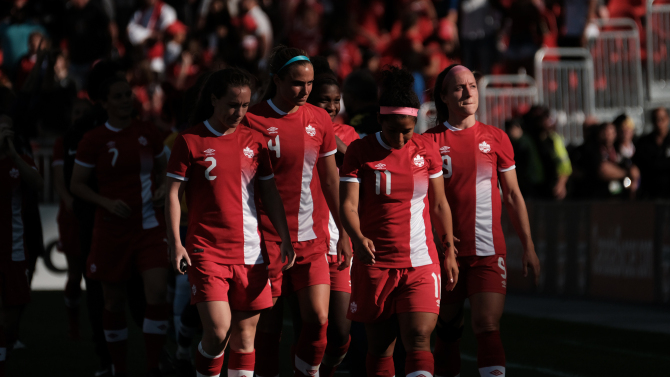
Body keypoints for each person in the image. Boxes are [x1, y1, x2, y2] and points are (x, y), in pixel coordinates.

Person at [165, 68, 295, 377]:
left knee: (244, 339)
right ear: (213, 100)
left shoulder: (256, 141)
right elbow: (172, 194)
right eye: (232, 105)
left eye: (246, 105)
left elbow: (270, 194)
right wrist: (175, 243)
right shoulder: (190, 141)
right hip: (207, 251)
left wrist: (285, 238)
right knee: (218, 332)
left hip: (252, 252)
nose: (239, 112)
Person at [340, 66, 458, 377]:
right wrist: (357, 237)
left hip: (420, 262)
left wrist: (449, 251)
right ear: (380, 120)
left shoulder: (427, 150)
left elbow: (439, 204)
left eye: (408, 129)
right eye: (394, 130)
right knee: (381, 349)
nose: (402, 137)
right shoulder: (360, 151)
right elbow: (348, 205)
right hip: (376, 263)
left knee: (419, 339)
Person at [424, 64, 541, 377]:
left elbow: (513, 196)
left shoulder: (497, 138)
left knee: (487, 325)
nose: (467, 93)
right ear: (444, 97)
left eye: (472, 86)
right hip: (442, 253)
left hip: (488, 251)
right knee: (447, 330)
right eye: (459, 88)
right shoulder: (428, 142)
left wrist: (527, 244)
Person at [242, 46, 351, 377]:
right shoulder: (252, 119)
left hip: (312, 239)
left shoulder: (319, 119)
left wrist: (344, 232)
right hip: (266, 240)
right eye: (296, 83)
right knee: (268, 330)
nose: (305, 91)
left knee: (319, 320)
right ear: (276, 80)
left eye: (309, 84)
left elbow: (331, 181)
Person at [70, 76, 169, 377]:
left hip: (149, 227)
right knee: (113, 301)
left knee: (158, 294)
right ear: (104, 103)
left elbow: (168, 168)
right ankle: (119, 368)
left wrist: (164, 187)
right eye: (118, 96)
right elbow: (77, 185)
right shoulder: (94, 139)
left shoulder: (148, 132)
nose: (127, 100)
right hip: (112, 230)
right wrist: (105, 202)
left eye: (128, 94)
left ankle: (153, 366)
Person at [306, 56, 359, 377]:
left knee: (340, 332)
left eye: (336, 101)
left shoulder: (349, 135)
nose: (331, 106)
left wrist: (331, 140)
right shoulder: (298, 131)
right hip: (308, 240)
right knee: (313, 324)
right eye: (324, 101)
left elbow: (359, 166)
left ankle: (327, 368)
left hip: (340, 240)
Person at [0, 113, 43, 377]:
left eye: (9, 128)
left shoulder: (21, 160)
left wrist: (13, 156)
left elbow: (38, 183)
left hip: (14, 249)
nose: (5, 132)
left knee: (9, 321)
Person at [633, 107, 670, 199]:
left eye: (662, 118)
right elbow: (637, 164)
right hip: (650, 192)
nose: (659, 122)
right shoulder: (644, 142)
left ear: (668, 119)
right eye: (656, 119)